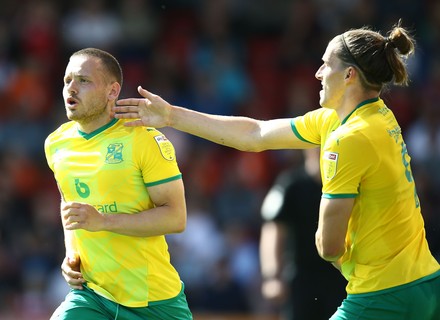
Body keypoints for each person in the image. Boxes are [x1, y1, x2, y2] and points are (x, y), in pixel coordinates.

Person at [113, 21, 440, 319]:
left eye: (326, 64)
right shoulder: (370, 116)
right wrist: (171, 116)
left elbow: (328, 246)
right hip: (423, 280)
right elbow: (255, 134)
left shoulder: (348, 138)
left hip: (385, 294)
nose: (317, 73)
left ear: (349, 75)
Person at [44, 48, 192, 320]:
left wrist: (104, 221)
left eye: (83, 80)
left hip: (152, 300)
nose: (71, 89)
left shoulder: (143, 139)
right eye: (67, 81)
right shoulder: (56, 143)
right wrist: (71, 255)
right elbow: (70, 204)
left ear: (113, 91)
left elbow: (176, 217)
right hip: (92, 295)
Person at [260, 148, 346, 320]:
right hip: (301, 279)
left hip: (341, 277)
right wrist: (272, 276)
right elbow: (273, 229)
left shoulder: (345, 186)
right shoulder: (290, 184)